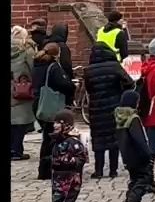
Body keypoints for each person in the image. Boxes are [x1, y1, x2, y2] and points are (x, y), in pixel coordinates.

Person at [84, 40, 130, 178]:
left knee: (98, 139)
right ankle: (113, 170)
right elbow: (129, 82)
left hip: (96, 108)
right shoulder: (114, 66)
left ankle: (98, 170)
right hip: (114, 106)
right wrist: (120, 92)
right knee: (113, 139)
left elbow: (88, 89)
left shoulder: (88, 70)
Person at [33, 42, 77, 180]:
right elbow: (63, 84)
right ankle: (50, 169)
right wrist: (72, 86)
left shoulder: (37, 64)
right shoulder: (53, 67)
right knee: (53, 137)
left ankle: (44, 170)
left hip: (40, 103)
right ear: (57, 53)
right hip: (52, 105)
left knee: (47, 137)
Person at [45, 110, 87, 202]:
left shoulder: (73, 142)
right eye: (55, 122)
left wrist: (65, 161)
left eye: (58, 122)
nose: (55, 125)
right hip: (58, 180)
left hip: (69, 181)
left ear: (66, 125)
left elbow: (81, 159)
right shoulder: (58, 140)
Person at [116, 88, 155, 202]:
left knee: (134, 178)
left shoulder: (119, 117)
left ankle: (130, 199)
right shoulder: (133, 118)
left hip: (127, 155)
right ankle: (133, 201)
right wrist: (148, 154)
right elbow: (139, 139)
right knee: (143, 178)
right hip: (137, 155)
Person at [11, 26, 38, 160]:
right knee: (20, 122)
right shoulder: (27, 50)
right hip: (22, 88)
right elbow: (33, 68)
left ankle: (15, 149)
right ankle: (16, 150)